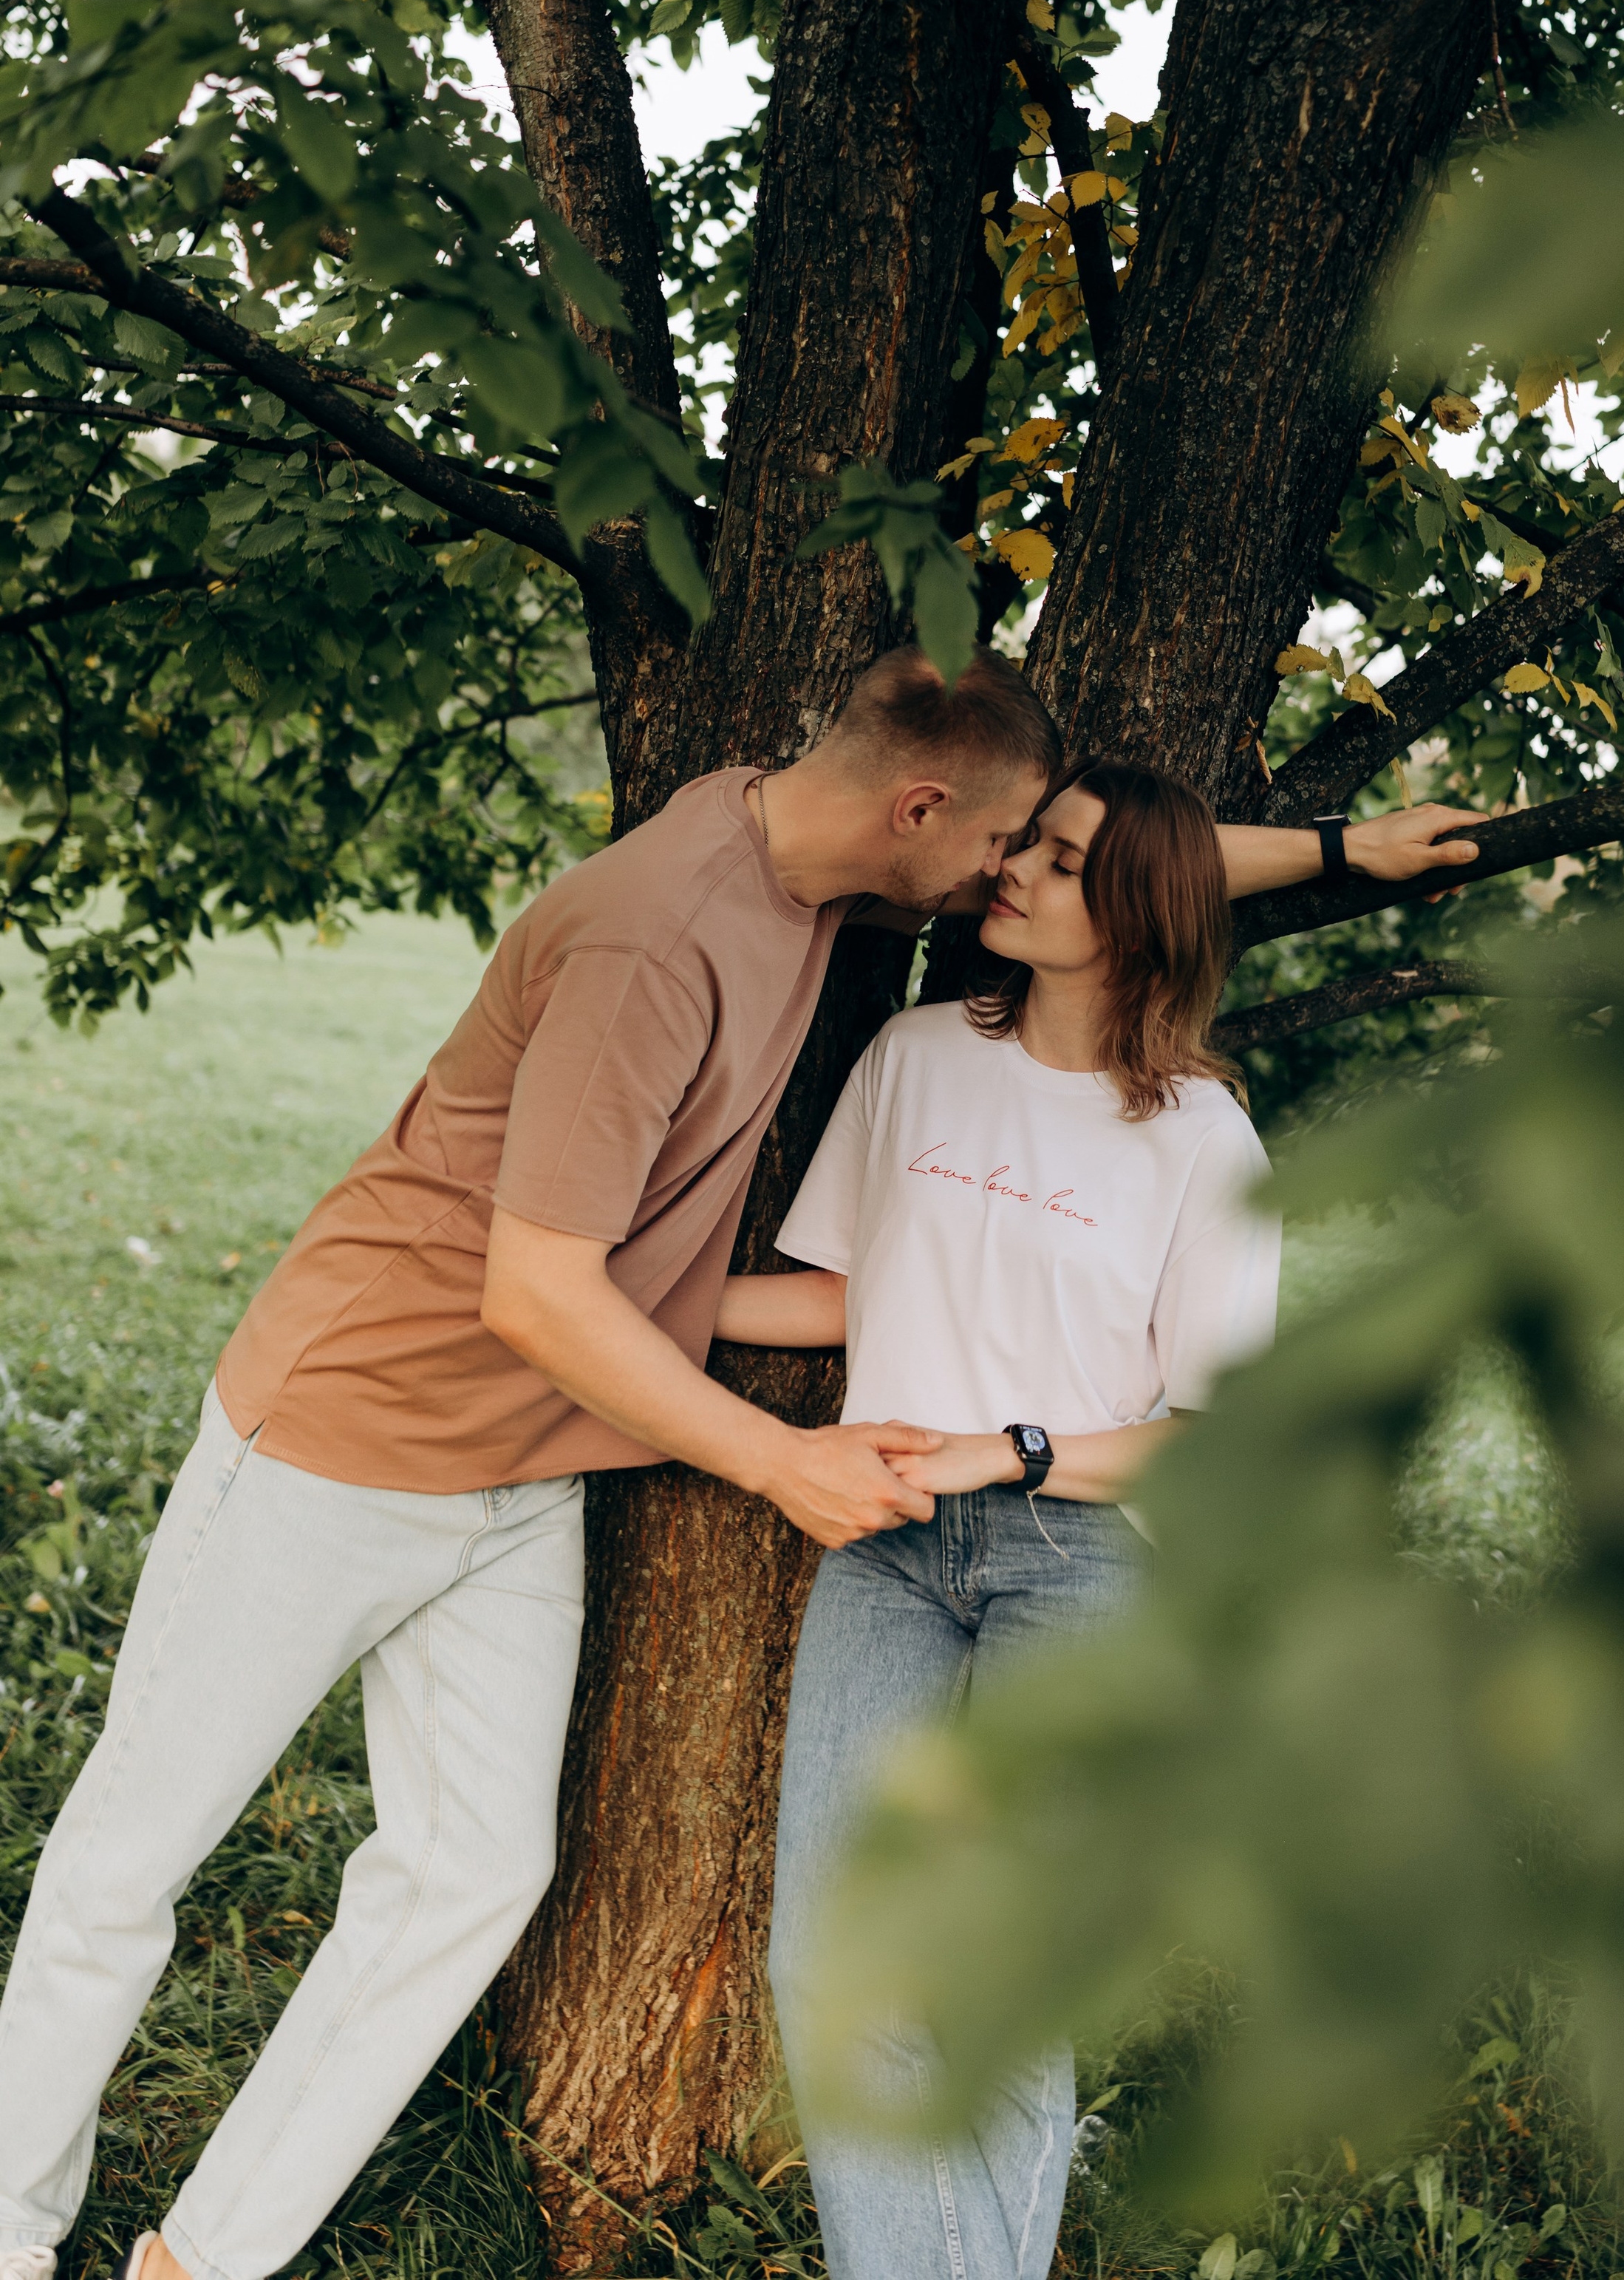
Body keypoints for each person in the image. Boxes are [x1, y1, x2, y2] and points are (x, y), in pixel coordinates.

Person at [0, 647, 1477, 2280]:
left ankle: (202, 2259)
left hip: (529, 1469)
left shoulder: (816, 869)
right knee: (125, 1860)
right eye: (998, 849)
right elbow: (535, 1292)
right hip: (358, 1428)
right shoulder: (663, 937)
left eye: (1031, 861)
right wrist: (786, 1464)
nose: (1007, 880)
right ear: (919, 813)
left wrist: (1342, 852)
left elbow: (1121, 874)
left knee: (469, 1875)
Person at [717, 760, 1282, 2280]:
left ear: (1140, 913)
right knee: (828, 1966)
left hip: (1079, 1562)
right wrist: (632, 1303)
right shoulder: (913, 1056)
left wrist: (1009, 1450)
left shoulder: (1202, 1144)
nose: (1015, 867)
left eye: (1061, 855)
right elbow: (851, 1290)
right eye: (1025, 840)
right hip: (885, 1550)